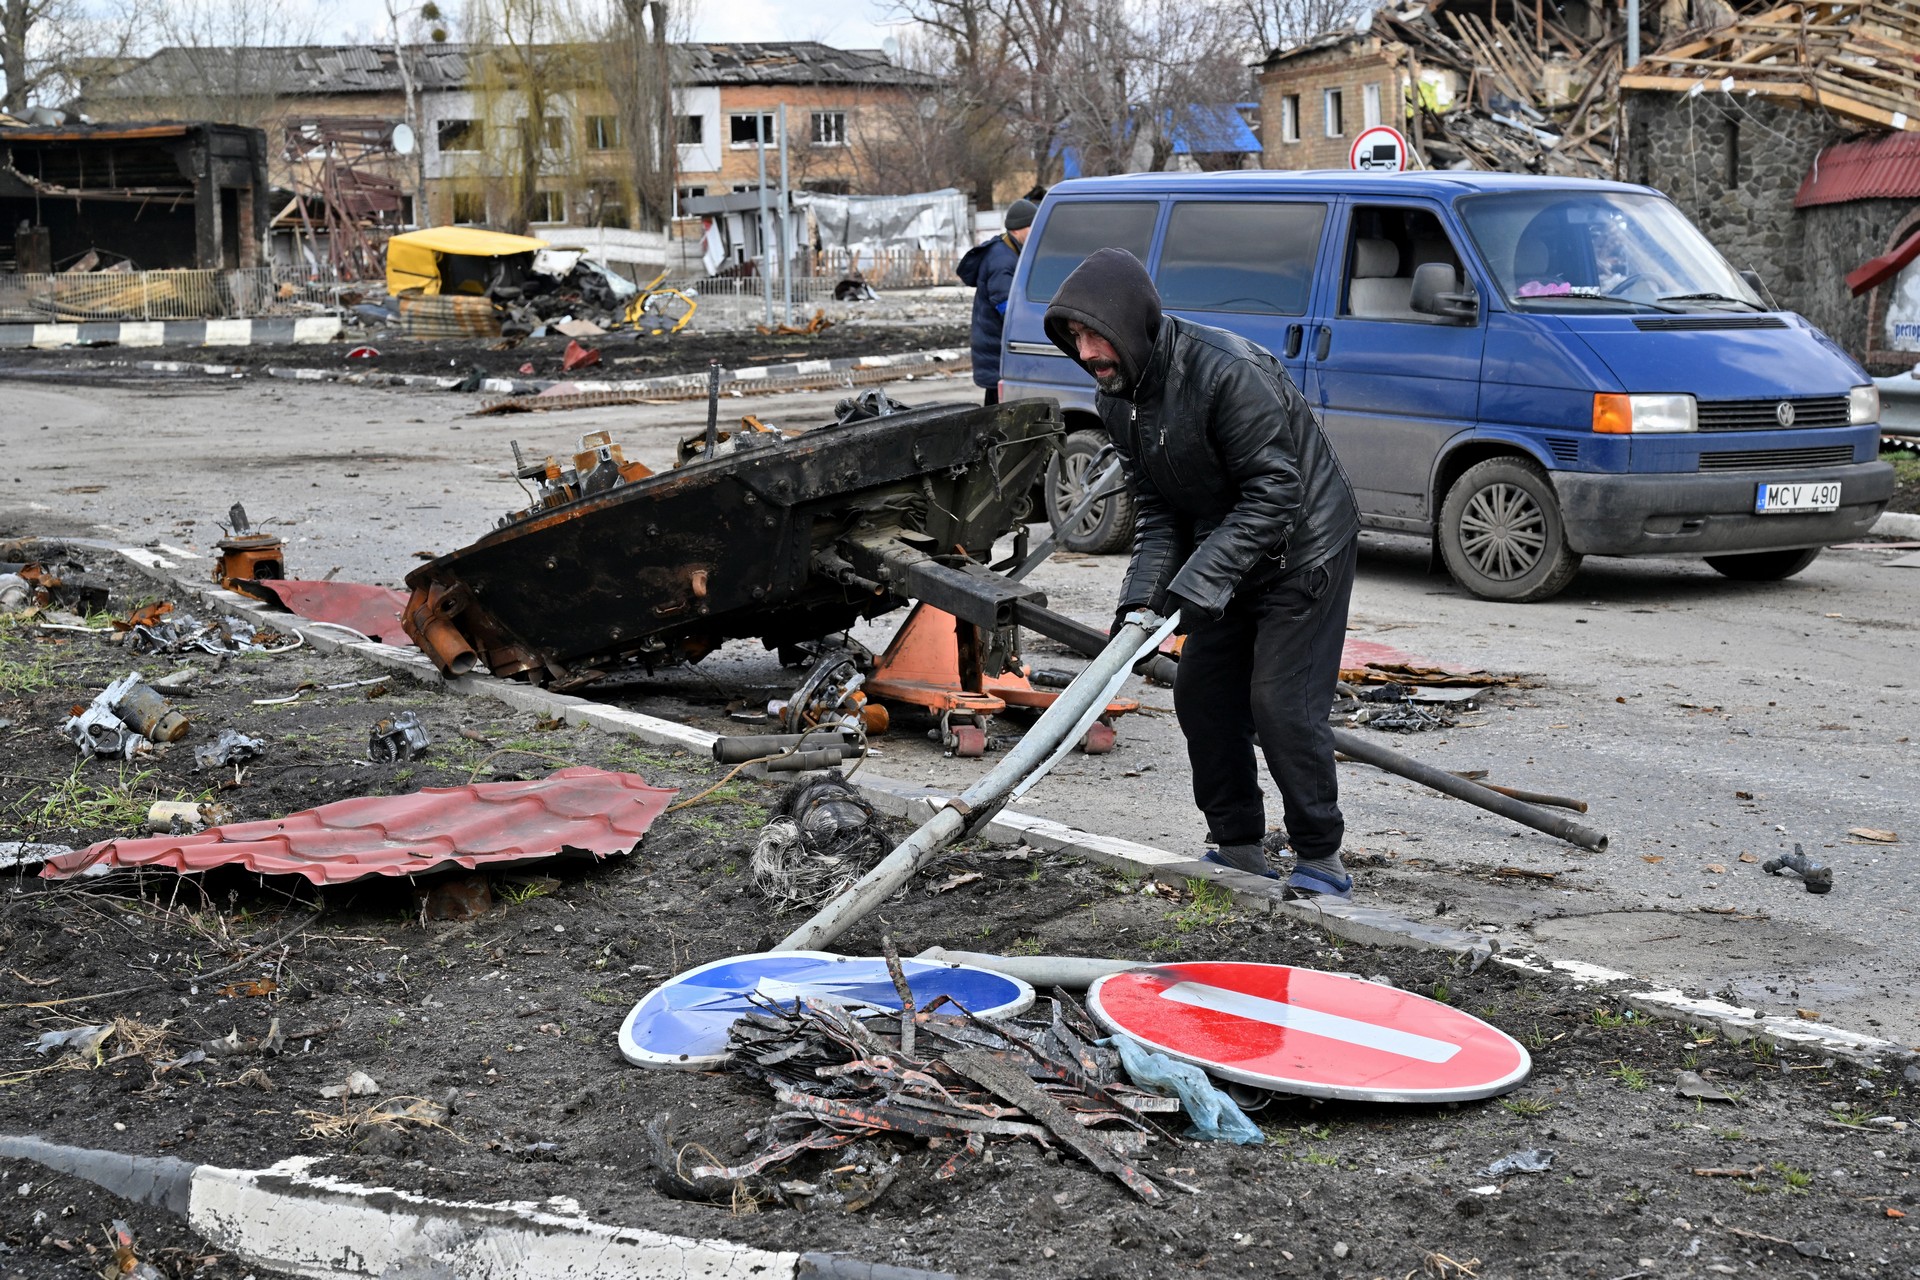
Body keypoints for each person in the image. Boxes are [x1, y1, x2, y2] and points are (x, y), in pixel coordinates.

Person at [1043, 247, 1362, 899]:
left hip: (1304, 550)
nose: (1086, 350)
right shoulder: (1118, 400)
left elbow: (1277, 493)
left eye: (1094, 333)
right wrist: (1140, 607)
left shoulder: (1227, 374)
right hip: (1228, 550)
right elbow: (1160, 509)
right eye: (1075, 337)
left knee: (1280, 702)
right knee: (1202, 696)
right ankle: (1238, 845)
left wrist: (1193, 587)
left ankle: (1320, 855)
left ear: (1132, 324)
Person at [957, 196, 1039, 406]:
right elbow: (1005, 305)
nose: (1036, 232)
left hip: (993, 345)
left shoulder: (1009, 251)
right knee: (998, 406)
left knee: (997, 403)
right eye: (1032, 226)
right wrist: (1028, 329)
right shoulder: (1002, 258)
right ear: (1018, 229)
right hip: (996, 346)